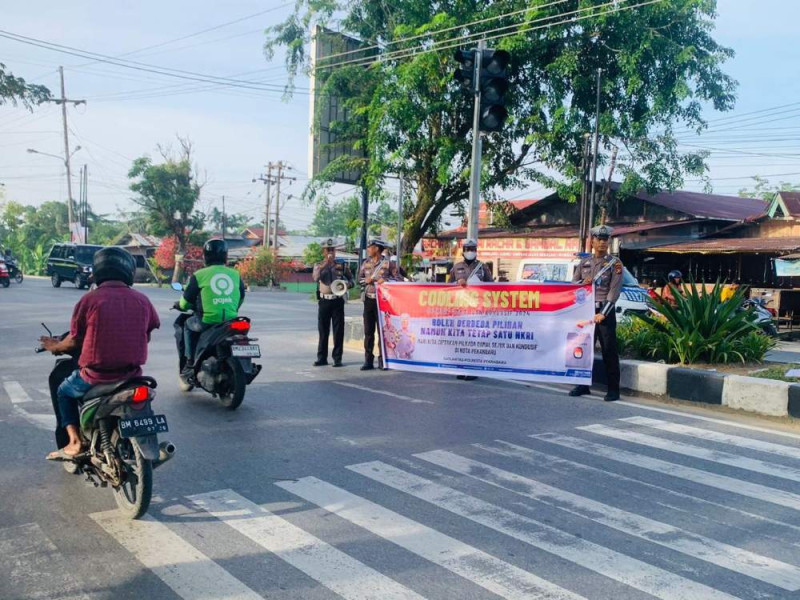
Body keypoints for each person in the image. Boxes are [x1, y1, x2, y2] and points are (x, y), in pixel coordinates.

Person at [40, 247, 160, 460]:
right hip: (132, 375)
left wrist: (54, 347)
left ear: (97, 271)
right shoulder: (143, 300)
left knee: (64, 392)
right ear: (129, 272)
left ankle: (75, 442)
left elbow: (74, 340)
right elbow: (146, 334)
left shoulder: (90, 300)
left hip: (96, 376)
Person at [175, 239, 246, 387]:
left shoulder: (199, 275)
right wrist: (232, 309)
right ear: (226, 257)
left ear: (205, 256)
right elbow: (241, 296)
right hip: (231, 320)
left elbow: (185, 302)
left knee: (187, 325)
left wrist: (179, 306)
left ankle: (189, 361)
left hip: (207, 321)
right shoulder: (235, 274)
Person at [569, 225, 623, 402]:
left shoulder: (614, 264)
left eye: (605, 239)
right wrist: (583, 282)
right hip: (586, 312)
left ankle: (613, 389)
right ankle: (583, 385)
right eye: (599, 239)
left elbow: (614, 291)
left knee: (609, 351)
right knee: (584, 349)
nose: (602, 242)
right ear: (592, 241)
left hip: (604, 313)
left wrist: (604, 313)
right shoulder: (585, 263)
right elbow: (573, 286)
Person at [450, 239, 492, 380]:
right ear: (463, 251)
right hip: (460, 309)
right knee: (461, 339)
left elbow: (491, 287)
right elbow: (446, 288)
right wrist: (457, 283)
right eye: (468, 249)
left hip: (477, 309)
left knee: (474, 339)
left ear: (476, 250)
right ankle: (461, 368)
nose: (470, 251)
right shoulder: (456, 267)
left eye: (472, 249)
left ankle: (473, 369)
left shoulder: (483, 267)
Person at [358, 239, 399, 370]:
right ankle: (368, 360)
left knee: (383, 332)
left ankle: (383, 361)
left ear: (376, 248)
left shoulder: (388, 264)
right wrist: (366, 280)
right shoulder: (365, 263)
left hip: (383, 301)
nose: (368, 249)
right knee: (368, 332)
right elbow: (359, 280)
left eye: (370, 247)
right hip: (369, 300)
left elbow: (398, 278)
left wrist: (385, 280)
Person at [313, 238, 353, 367]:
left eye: (332, 250)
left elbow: (352, 280)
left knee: (338, 330)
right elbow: (315, 278)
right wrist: (326, 264)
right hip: (324, 300)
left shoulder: (341, 264)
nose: (330, 252)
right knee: (323, 330)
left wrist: (347, 284)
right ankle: (322, 358)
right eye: (328, 250)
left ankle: (337, 358)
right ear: (323, 251)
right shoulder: (319, 265)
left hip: (337, 300)